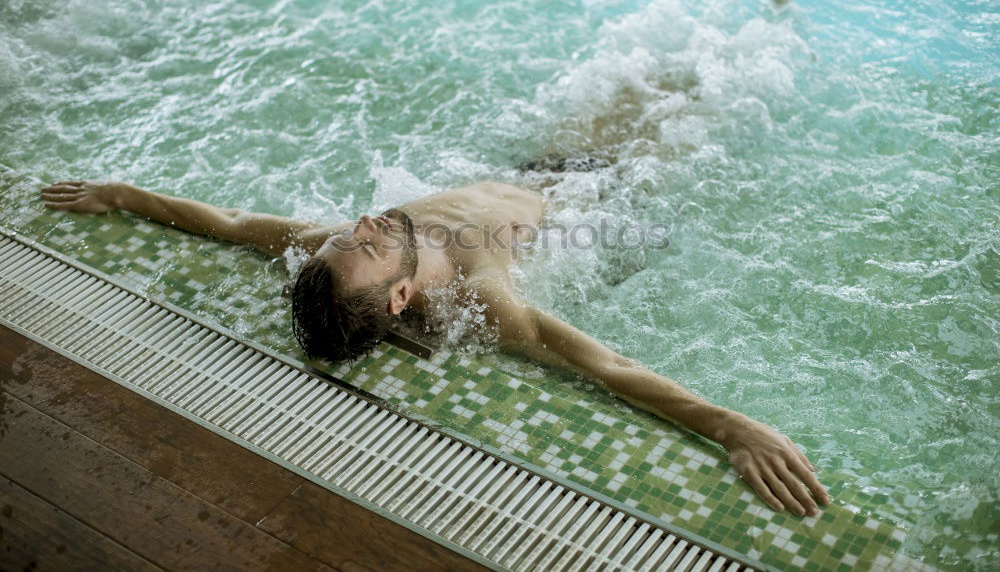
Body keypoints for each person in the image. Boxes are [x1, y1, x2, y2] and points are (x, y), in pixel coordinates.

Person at [40, 176, 831, 517]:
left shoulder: (335, 249)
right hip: (599, 199)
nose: (367, 223)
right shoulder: (490, 293)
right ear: (402, 297)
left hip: (528, 178)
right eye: (368, 244)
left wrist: (122, 197)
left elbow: (234, 226)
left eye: (353, 234)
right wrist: (732, 426)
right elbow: (607, 365)